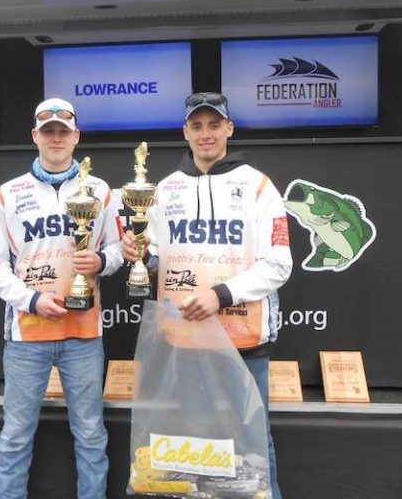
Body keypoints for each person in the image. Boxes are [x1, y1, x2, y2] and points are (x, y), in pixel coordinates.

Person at [121, 91, 293, 499]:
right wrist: (138, 256)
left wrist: (222, 295)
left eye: (214, 124)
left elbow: (278, 264)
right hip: (185, 342)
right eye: (197, 126)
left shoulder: (258, 186)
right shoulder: (165, 189)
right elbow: (156, 258)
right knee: (197, 450)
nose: (206, 134)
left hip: (243, 342)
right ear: (185, 132)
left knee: (253, 449)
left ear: (229, 128)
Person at [0, 97, 123, 499]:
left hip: (83, 334)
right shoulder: (9, 194)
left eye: (63, 131)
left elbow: (117, 250)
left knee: (91, 433)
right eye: (48, 132)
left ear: (76, 137)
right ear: (35, 136)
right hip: (28, 336)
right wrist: (29, 300)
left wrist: (100, 261)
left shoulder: (99, 191)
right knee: (15, 436)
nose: (56, 138)